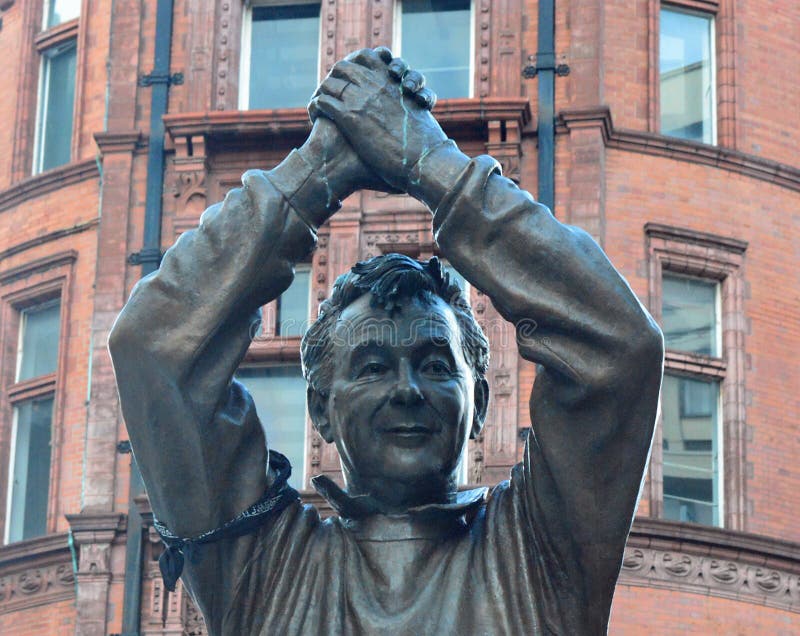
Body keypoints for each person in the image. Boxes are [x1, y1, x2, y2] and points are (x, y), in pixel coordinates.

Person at [109, 48, 664, 635]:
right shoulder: (261, 567)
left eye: (434, 365)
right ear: (321, 407)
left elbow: (620, 347)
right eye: (372, 367)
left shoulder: (541, 551)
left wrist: (428, 161)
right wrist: (318, 170)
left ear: (479, 402)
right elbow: (154, 348)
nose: (407, 390)